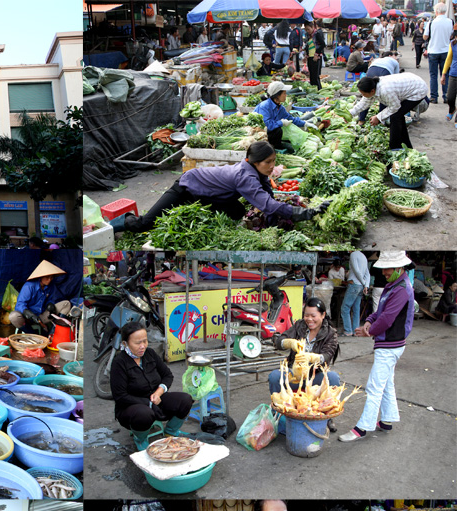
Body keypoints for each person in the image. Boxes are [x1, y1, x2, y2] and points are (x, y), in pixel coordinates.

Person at [120, 141, 330, 234]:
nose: (272, 166)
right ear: (254, 161)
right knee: (145, 224)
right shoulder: (245, 176)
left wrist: (276, 222)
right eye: (268, 162)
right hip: (187, 186)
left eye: (274, 161)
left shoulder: (256, 171)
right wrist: (307, 213)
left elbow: (268, 198)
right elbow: (268, 205)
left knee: (237, 211)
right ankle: (115, 224)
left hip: (210, 194)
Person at [339, 251, 414, 442]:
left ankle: (363, 427)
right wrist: (370, 320)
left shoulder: (401, 289)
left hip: (390, 344)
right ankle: (387, 420)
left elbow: (387, 318)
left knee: (374, 387)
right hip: (390, 343)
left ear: (398, 268)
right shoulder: (394, 285)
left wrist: (369, 331)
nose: (384, 273)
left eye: (387, 270)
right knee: (387, 383)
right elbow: (381, 310)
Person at [110, 321, 193, 450]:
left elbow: (167, 375)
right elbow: (120, 396)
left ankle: (171, 431)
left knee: (185, 400)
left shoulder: (150, 354)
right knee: (144, 414)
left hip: (156, 398)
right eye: (137, 343)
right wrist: (148, 402)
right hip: (130, 407)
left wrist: (159, 393)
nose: (142, 346)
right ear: (125, 343)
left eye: (145, 341)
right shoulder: (119, 363)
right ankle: (141, 438)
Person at [269, 297, 341, 432]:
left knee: (333, 378)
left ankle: (327, 416)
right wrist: (289, 343)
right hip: (295, 375)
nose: (309, 319)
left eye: (313, 316)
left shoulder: (331, 333)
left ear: (323, 314)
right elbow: (279, 341)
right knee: (274, 376)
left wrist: (312, 357)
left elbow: (327, 356)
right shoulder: (300, 326)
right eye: (306, 315)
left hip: (315, 377)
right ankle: (277, 413)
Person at [352, 73, 428, 149]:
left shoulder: (385, 91)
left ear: (372, 91)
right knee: (398, 116)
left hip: (417, 89)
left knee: (395, 117)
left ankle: (395, 147)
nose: (363, 95)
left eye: (363, 94)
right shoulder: (373, 87)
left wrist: (378, 117)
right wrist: (349, 114)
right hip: (409, 84)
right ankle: (406, 146)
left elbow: (395, 107)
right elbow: (363, 103)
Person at [255, 83, 328, 149]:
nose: (286, 95)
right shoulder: (265, 106)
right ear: (277, 95)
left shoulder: (280, 107)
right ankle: (273, 148)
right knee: (277, 130)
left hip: (269, 132)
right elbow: (268, 125)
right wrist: (281, 122)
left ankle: (276, 147)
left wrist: (305, 123)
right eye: (284, 93)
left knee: (281, 129)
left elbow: (290, 119)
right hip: (259, 133)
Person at [10, 260, 74, 332]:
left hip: (41, 316)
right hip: (27, 318)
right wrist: (29, 314)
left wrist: (50, 304)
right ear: (41, 277)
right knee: (14, 316)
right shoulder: (29, 286)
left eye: (51, 277)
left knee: (66, 303)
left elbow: (51, 299)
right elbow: (20, 304)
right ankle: (31, 334)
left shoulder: (50, 286)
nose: (49, 280)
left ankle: (54, 332)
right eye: (47, 277)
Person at [424, 4, 452, 104]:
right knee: (445, 74)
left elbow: (425, 36)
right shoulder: (450, 22)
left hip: (433, 51)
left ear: (436, 11)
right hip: (446, 51)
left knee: (433, 75)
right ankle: (446, 96)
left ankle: (434, 97)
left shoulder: (431, 22)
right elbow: (452, 36)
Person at [341, 251, 371, 336]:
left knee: (345, 308)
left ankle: (348, 331)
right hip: (361, 285)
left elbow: (356, 270)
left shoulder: (353, 254)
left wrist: (363, 283)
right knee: (356, 308)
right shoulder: (364, 256)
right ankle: (356, 331)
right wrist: (366, 285)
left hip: (354, 283)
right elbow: (367, 274)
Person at [304, 21, 326, 90]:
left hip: (316, 57)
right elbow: (308, 46)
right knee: (311, 76)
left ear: (312, 27)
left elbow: (323, 44)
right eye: (306, 29)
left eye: (308, 29)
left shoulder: (317, 34)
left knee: (316, 76)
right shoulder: (308, 36)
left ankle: (319, 90)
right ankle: (313, 90)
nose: (307, 31)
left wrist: (317, 54)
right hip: (310, 58)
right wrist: (306, 55)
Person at [442, 29, 457, 124]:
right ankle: (452, 109)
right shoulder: (453, 44)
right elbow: (448, 59)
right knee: (450, 98)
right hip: (454, 73)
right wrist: (443, 74)